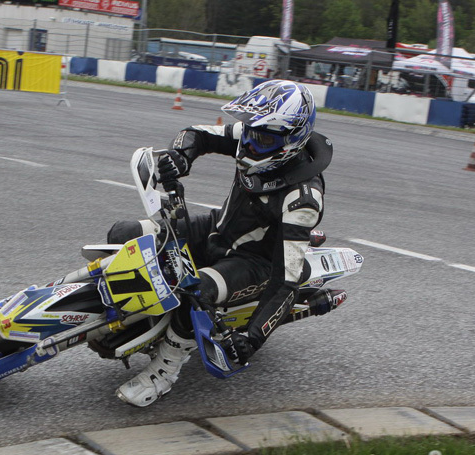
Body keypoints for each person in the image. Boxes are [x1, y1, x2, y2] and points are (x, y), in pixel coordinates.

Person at [108, 80, 333, 407]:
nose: (251, 144)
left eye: (263, 139)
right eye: (251, 133)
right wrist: (179, 157)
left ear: (292, 140)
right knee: (124, 232)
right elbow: (195, 134)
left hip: (255, 263)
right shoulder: (258, 133)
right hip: (216, 229)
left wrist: (252, 340)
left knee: (197, 291)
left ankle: (164, 371)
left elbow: (286, 282)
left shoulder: (303, 199)